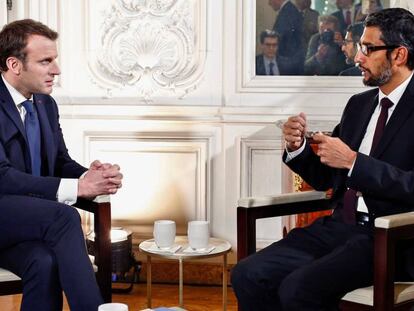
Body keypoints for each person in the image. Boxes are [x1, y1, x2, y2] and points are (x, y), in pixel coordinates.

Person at [232, 7, 414, 310]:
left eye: (368, 49)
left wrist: (354, 162)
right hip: (339, 229)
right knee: (248, 274)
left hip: (390, 239)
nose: (358, 58)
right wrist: (298, 147)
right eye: (359, 48)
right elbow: (328, 178)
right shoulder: (359, 105)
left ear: (399, 55)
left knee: (298, 289)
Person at [0, 19, 123, 311]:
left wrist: (91, 177)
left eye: (54, 59)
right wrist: (78, 187)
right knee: (64, 217)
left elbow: (58, 162)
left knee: (45, 262)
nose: (56, 69)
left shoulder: (45, 103)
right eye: (46, 61)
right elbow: (2, 177)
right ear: (14, 65)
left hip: (23, 221)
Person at [269, 0, 304, 75]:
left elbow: (280, 38)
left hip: (288, 62)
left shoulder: (287, 11)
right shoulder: (289, 9)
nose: (269, 3)